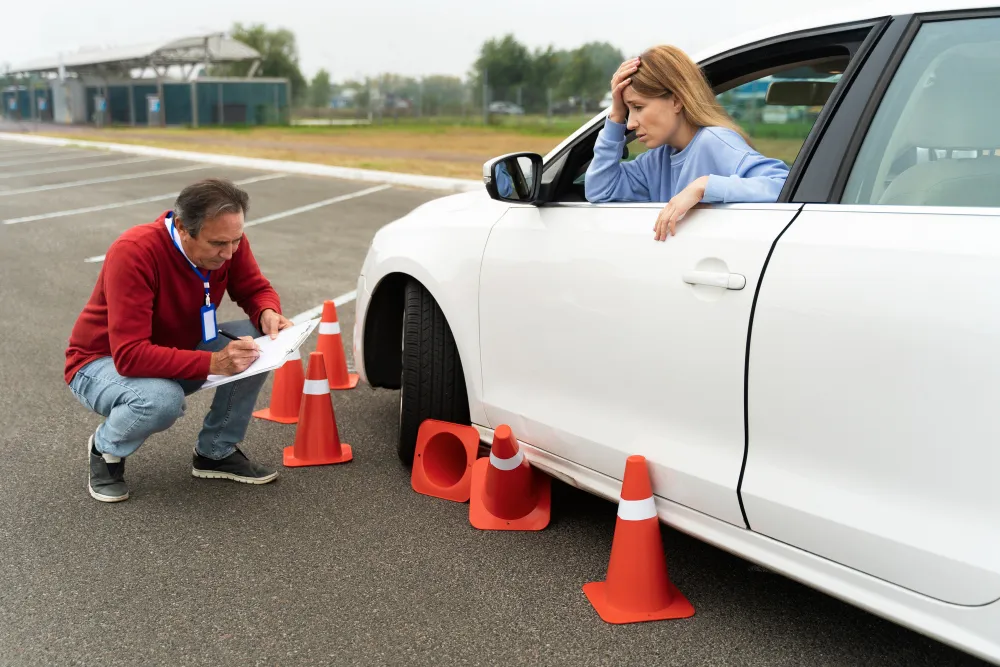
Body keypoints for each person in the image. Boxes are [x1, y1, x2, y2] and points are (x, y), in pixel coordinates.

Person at [65, 177, 294, 503]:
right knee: (162, 399)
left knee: (256, 341)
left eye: (237, 241)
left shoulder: (227, 239)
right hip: (100, 363)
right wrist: (214, 362)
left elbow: (254, 288)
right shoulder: (134, 252)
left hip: (174, 349)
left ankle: (215, 452)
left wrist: (266, 312)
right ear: (184, 228)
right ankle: (106, 450)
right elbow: (130, 355)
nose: (229, 254)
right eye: (219, 244)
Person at [585, 45, 791, 241]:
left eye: (638, 107)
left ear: (676, 101)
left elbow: (783, 185)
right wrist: (616, 114)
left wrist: (704, 186)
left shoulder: (714, 141)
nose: (630, 124)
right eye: (628, 111)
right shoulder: (655, 160)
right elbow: (600, 190)